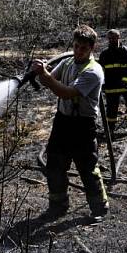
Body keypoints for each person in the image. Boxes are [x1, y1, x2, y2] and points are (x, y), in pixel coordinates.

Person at [31, 25, 109, 221]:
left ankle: (99, 208)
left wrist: (46, 76)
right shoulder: (66, 63)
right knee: (55, 165)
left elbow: (65, 93)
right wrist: (40, 72)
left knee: (87, 168)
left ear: (92, 48)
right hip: (62, 122)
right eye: (75, 46)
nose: (78, 51)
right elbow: (48, 80)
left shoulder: (94, 72)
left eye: (83, 48)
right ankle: (58, 206)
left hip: (83, 125)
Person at [98, 29, 127, 137]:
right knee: (111, 110)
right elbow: (100, 70)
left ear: (119, 37)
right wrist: (101, 84)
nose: (111, 40)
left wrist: (126, 81)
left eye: (114, 37)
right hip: (111, 86)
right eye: (109, 38)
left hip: (126, 86)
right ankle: (110, 131)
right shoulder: (104, 54)